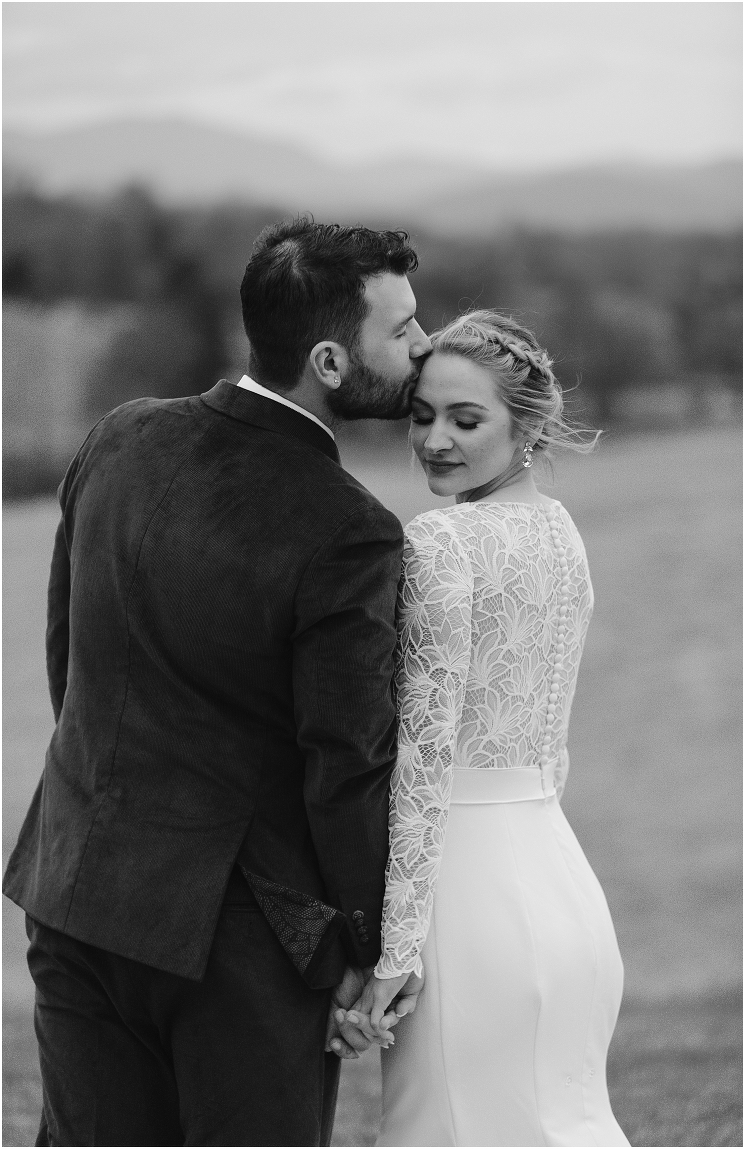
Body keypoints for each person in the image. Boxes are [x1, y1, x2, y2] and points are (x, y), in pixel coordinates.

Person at [2, 217, 432, 1147]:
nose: (423, 347)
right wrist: (361, 943)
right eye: (401, 331)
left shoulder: (120, 437)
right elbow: (345, 761)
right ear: (327, 358)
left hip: (76, 892)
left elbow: (68, 661)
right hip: (240, 945)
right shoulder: (350, 530)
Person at [343, 310, 630, 1146]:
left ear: (528, 426)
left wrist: (393, 952)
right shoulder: (562, 533)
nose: (435, 439)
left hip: (467, 913)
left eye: (466, 420)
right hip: (563, 889)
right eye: (422, 416)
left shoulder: (440, 541)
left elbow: (424, 760)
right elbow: (552, 744)